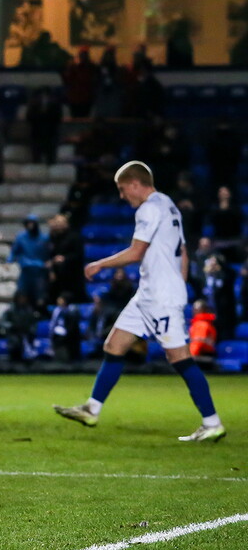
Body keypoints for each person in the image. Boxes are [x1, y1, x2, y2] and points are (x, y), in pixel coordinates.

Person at [54, 161, 226, 442]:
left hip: (159, 297)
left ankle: (212, 422)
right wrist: (178, 285)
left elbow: (136, 252)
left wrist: (100, 264)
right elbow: (182, 250)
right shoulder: (168, 204)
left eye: (123, 189)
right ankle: (92, 409)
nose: (122, 196)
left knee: (179, 358)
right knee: (114, 345)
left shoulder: (149, 208)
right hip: (150, 294)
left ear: (136, 184)